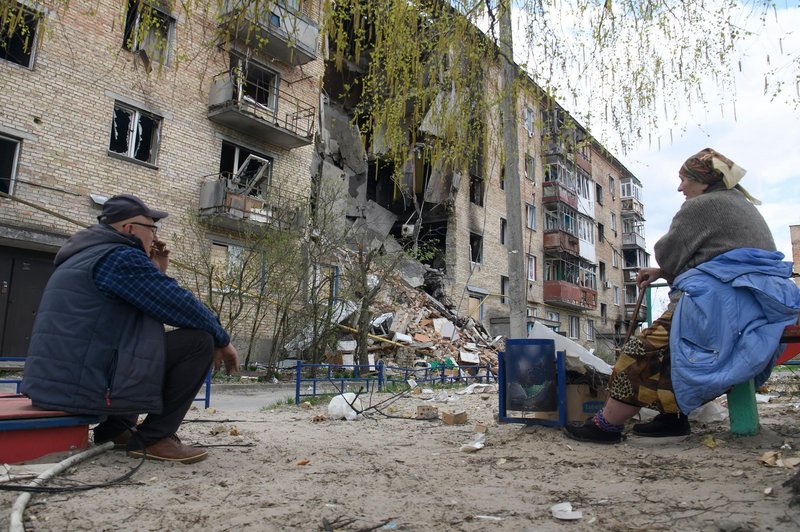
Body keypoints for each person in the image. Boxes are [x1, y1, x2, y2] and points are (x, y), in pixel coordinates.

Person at [564, 148, 800, 444]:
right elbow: (719, 256)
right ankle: (672, 419)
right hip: (761, 303)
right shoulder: (738, 202)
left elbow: (670, 252)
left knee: (642, 351)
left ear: (702, 181)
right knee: (675, 352)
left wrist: (665, 267)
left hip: (725, 305)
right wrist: (664, 273)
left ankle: (605, 426)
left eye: (684, 179)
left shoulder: (702, 206)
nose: (679, 187)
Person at [22, 194, 239, 463]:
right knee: (198, 341)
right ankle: (154, 438)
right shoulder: (119, 257)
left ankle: (116, 429)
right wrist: (223, 339)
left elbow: (140, 309)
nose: (155, 237)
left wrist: (155, 271)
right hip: (78, 386)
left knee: (137, 339)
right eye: (152, 229)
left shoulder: (87, 254)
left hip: (59, 382)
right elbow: (179, 305)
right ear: (129, 229)